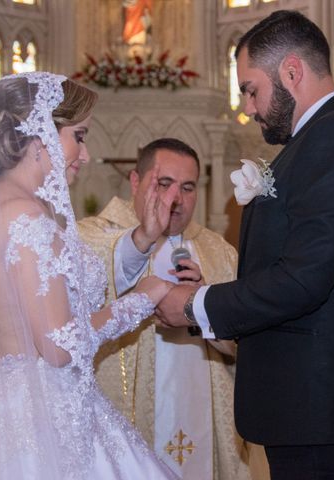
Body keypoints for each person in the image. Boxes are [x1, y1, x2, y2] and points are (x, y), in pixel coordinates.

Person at [155, 9, 334, 479]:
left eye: (251, 89)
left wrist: (196, 304)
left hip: (326, 408)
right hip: (318, 409)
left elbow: (304, 278)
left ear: (292, 72)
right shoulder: (325, 141)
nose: (248, 107)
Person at [0, 72, 179, 479]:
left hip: (13, 402)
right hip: (43, 415)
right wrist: (144, 298)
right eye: (78, 136)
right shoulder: (23, 215)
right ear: (38, 135)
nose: (85, 153)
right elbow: (60, 346)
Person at [78, 137, 266, 480]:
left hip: (202, 418)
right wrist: (142, 239)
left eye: (188, 187)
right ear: (136, 182)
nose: (175, 199)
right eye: (164, 184)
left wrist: (205, 307)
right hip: (129, 426)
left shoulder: (217, 251)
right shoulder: (94, 236)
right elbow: (78, 309)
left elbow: (248, 342)